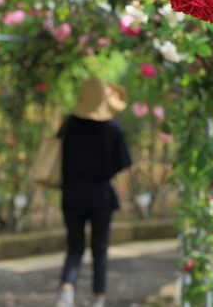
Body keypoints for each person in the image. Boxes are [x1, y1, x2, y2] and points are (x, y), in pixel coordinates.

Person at [56, 77, 133, 307]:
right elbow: (124, 161)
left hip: (71, 194)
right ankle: (98, 298)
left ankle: (67, 290)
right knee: (100, 249)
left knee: (74, 247)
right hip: (100, 195)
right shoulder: (112, 129)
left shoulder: (69, 125)